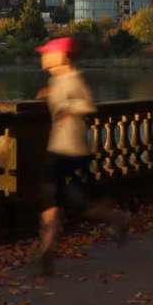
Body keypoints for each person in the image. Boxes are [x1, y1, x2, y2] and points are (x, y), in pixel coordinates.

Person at [35, 36, 128, 274]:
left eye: (47, 53)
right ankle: (48, 249)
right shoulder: (57, 80)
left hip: (72, 151)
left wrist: (67, 108)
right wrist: (49, 94)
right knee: (59, 199)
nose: (43, 57)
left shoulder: (72, 78)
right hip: (59, 149)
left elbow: (88, 105)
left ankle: (116, 218)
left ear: (61, 56)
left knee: (72, 201)